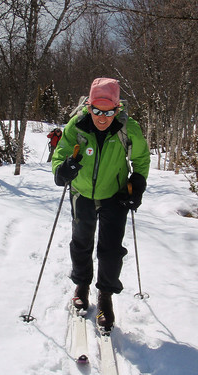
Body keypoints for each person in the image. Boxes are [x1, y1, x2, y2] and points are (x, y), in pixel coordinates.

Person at [52, 78, 150, 330]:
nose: (102, 117)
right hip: (82, 193)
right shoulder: (78, 124)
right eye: (96, 110)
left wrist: (137, 183)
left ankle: (105, 295)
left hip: (114, 194)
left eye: (108, 112)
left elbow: (141, 158)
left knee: (110, 249)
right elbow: (61, 153)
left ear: (117, 109)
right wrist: (63, 170)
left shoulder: (127, 127)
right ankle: (82, 285)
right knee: (81, 242)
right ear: (88, 106)